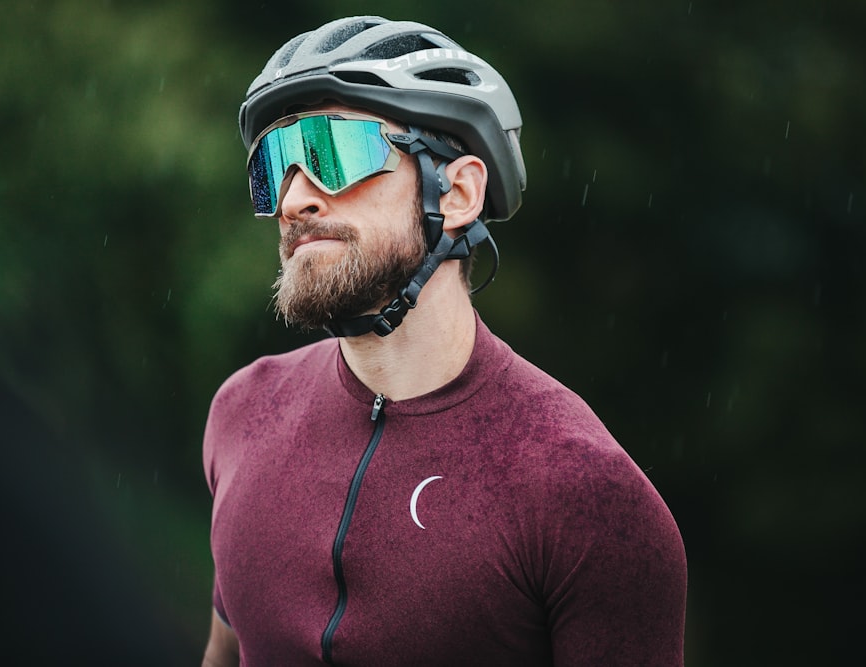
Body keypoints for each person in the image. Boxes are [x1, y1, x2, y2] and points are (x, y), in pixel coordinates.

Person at [202, 16, 687, 667]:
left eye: (333, 153)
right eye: (273, 168)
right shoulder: (242, 414)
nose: (294, 200)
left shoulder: (584, 494)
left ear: (457, 192)